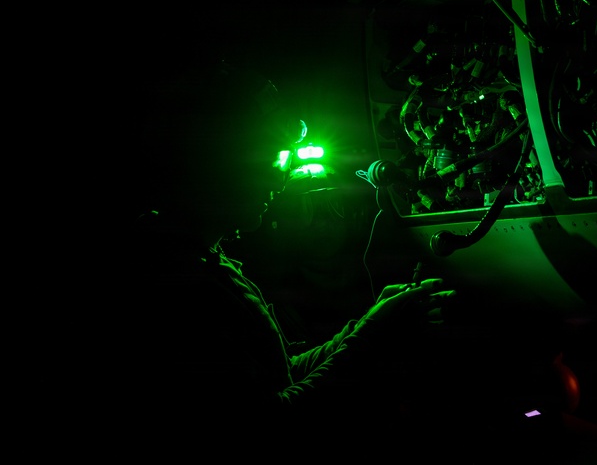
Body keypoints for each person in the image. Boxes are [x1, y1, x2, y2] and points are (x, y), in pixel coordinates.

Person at [115, 56, 458, 455]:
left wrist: (365, 325)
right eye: (271, 155)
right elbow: (267, 427)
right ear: (210, 162)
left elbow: (278, 376)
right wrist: (372, 338)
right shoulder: (170, 283)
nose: (281, 178)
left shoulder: (205, 258)